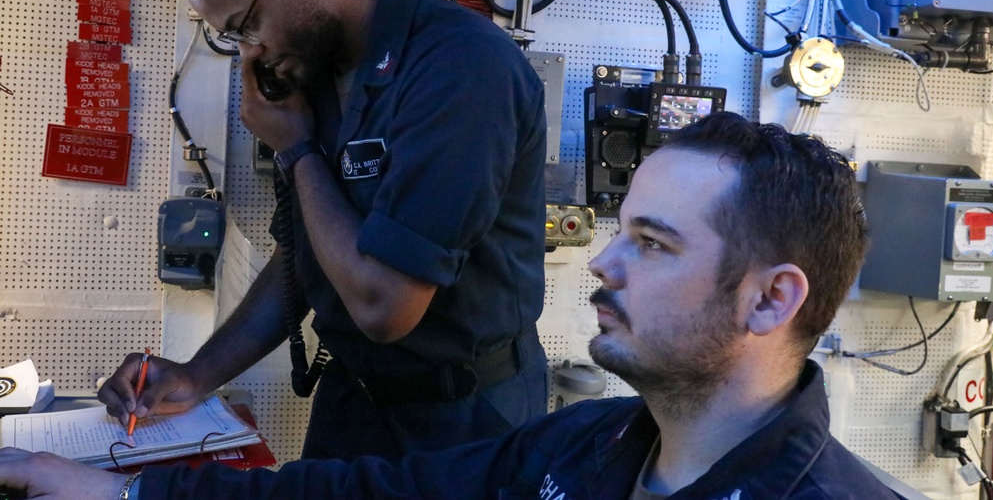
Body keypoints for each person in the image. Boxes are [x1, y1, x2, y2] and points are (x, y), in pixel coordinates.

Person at [0, 112, 902, 499]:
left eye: (654, 244)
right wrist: (122, 489)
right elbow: (369, 493)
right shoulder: (583, 447)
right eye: (620, 229)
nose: (604, 262)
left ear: (771, 298)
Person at [97, 0, 550, 462]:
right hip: (353, 406)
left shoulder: (461, 69)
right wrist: (196, 374)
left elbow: (384, 308)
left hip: (465, 422)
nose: (250, 53)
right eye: (231, 37)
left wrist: (297, 150)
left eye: (247, 24)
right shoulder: (318, 68)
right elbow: (305, 256)